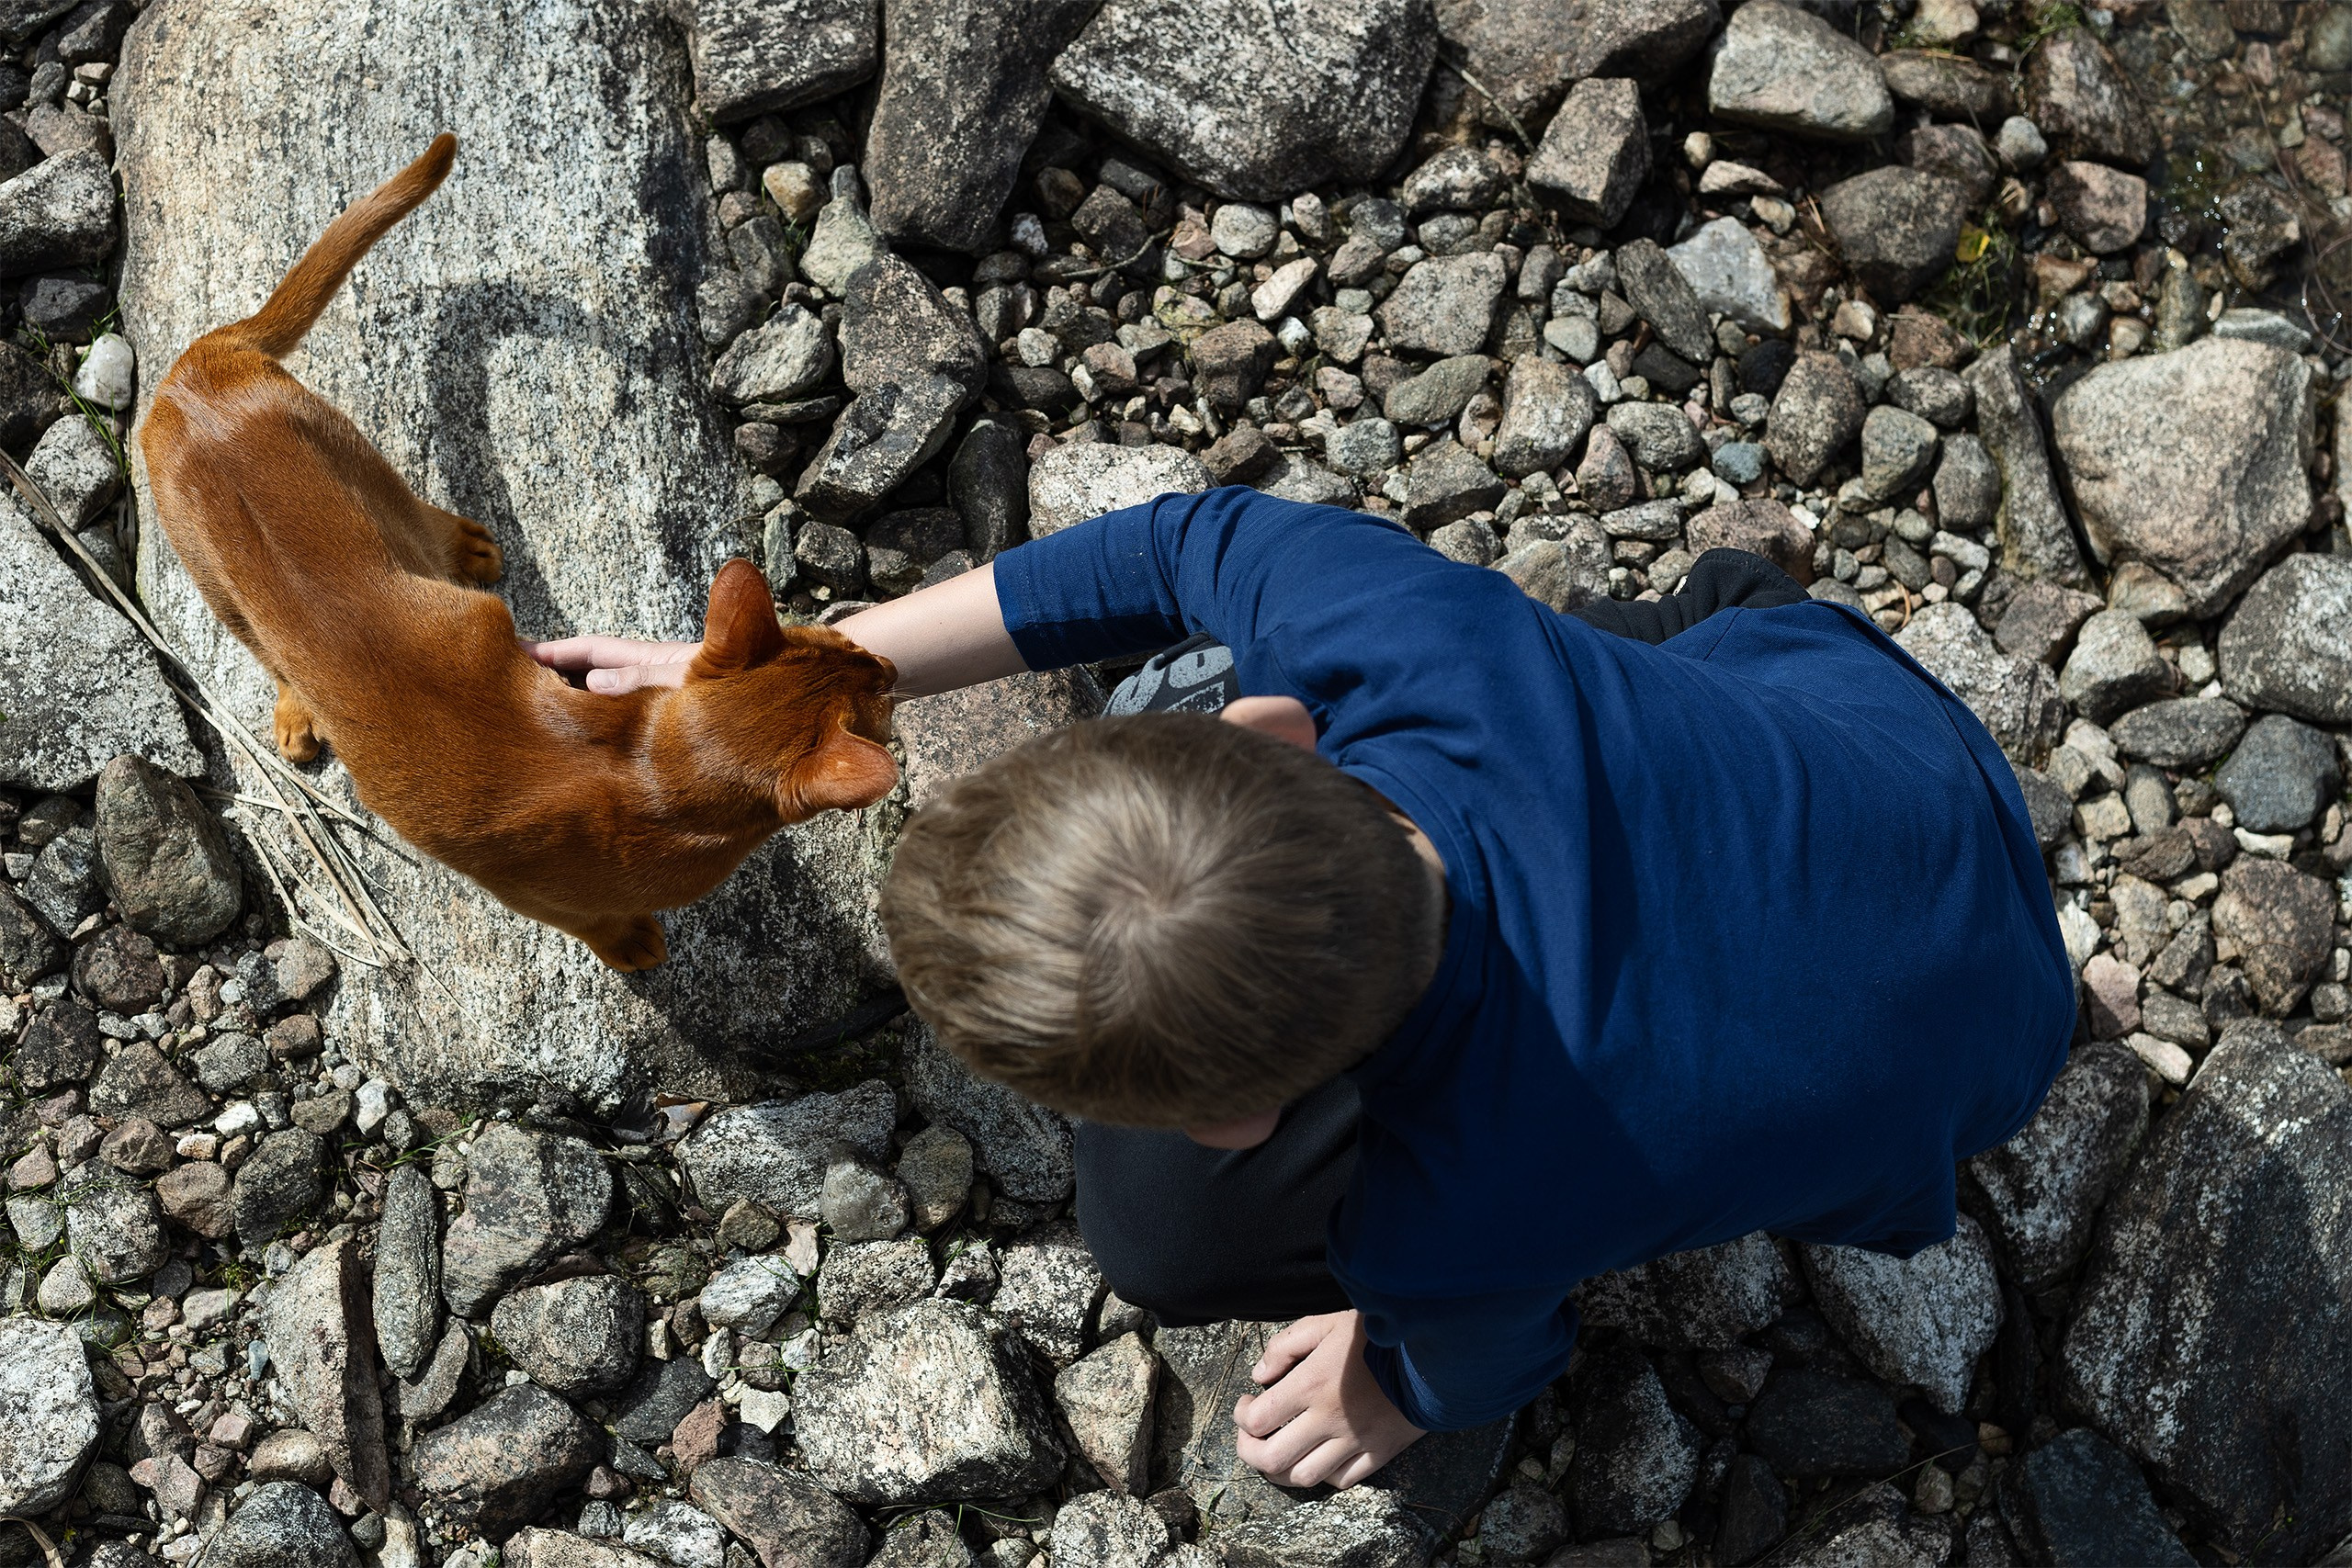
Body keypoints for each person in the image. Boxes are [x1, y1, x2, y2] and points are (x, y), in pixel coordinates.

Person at [531, 487, 2076, 1492]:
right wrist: (803, 673)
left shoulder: (1461, 1213)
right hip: (1902, 784)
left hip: (1975, 1070)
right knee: (1640, 644)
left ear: (1257, 1123)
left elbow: (1495, 1351)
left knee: (1156, 1243)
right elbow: (1170, 543)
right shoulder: (1407, 630)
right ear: (1277, 734)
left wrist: (1393, 1378)